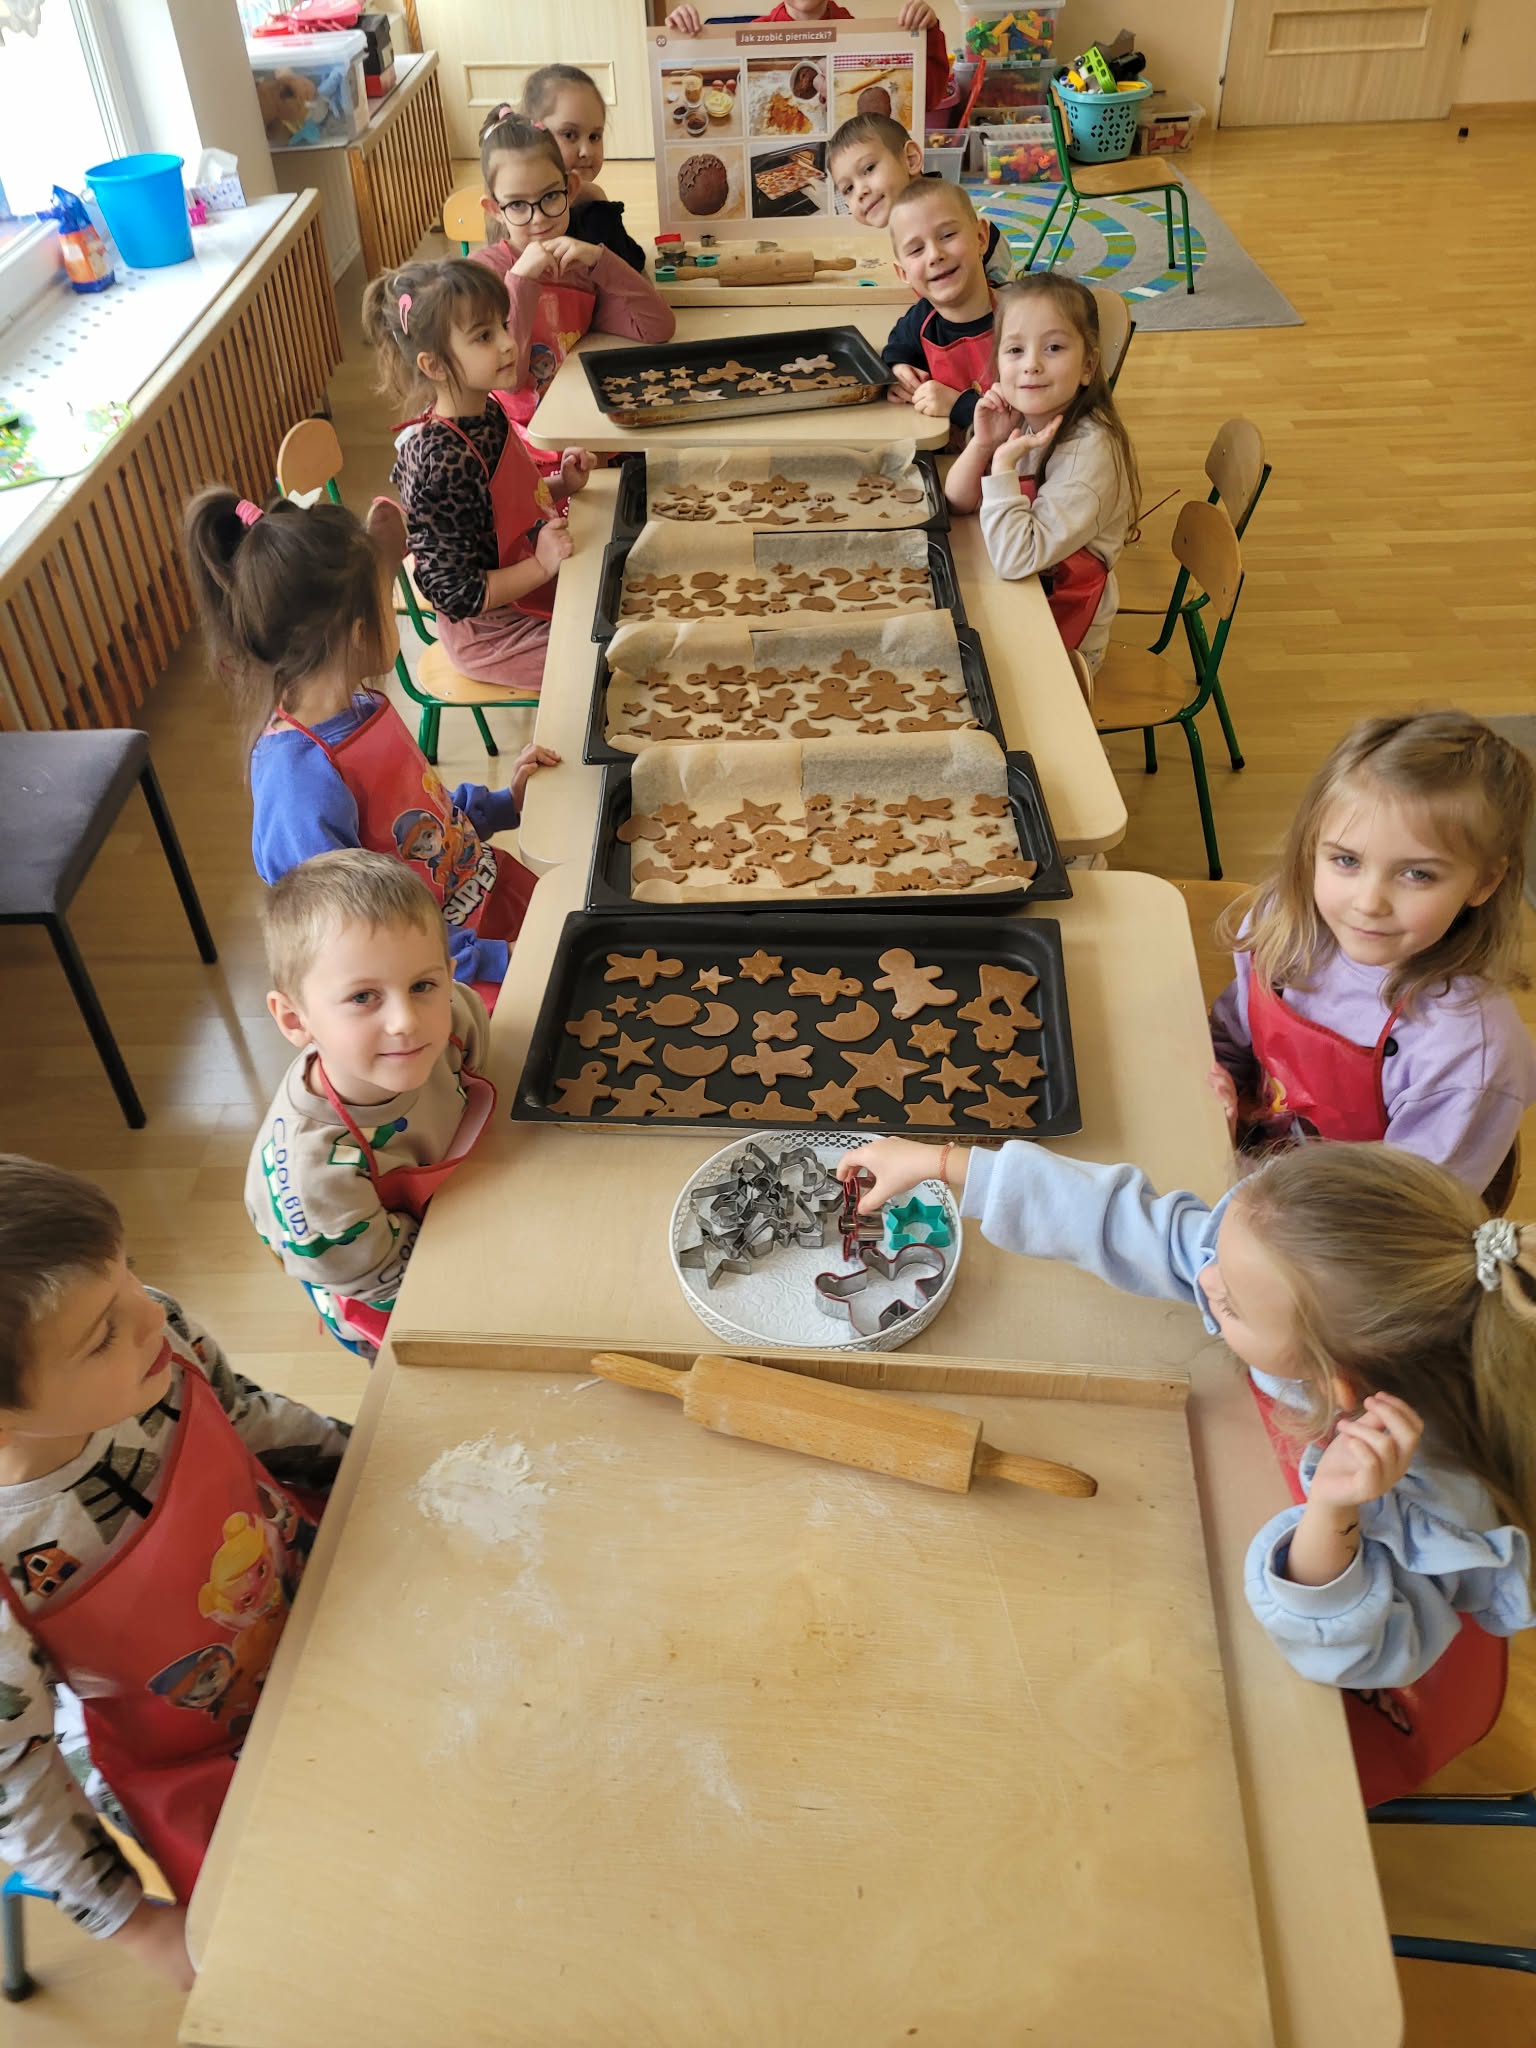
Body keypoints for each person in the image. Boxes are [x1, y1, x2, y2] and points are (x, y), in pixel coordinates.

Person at [840, 1136, 1536, 1806]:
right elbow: (1141, 1227)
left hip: (1373, 1673)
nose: (1203, 1279)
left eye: (1228, 1303)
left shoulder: (1441, 1500)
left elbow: (1362, 1650)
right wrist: (943, 1163)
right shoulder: (1319, 1295)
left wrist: (1332, 1510)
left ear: (1336, 1386)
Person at [0, 1155, 351, 1984]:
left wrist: (367, 1466)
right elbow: (16, 1774)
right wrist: (132, 1923)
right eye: (102, 1333)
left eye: (130, 1271)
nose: (150, 1312)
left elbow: (253, 1419)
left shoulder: (155, 1341)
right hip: (193, 1756)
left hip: (318, 1595)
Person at [184, 483, 556, 1000]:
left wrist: (506, 803)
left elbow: (425, 817)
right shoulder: (299, 782)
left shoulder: (360, 708)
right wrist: (496, 958)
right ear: (360, 632)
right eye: (388, 596)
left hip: (486, 900)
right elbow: (366, 935)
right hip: (446, 976)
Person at [1210, 712, 1536, 1196]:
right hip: (1249, 1165)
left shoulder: (1467, 1055)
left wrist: (1244, 1189)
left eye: (1418, 874)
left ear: (1484, 883)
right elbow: (1230, 1039)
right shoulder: (1282, 924)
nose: (1369, 903)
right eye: (1347, 860)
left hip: (1339, 1222)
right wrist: (1216, 1091)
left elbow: (1402, 1214)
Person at [246, 852, 493, 1356]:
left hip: (472, 1202)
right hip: (391, 1289)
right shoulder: (315, 1183)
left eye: (422, 985)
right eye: (363, 997)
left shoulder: (456, 1015)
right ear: (294, 1020)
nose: (406, 1021)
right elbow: (401, 1287)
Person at [362, 256, 584, 689]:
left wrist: (562, 484)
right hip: (492, 634)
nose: (508, 343)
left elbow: (499, 512)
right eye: (484, 336)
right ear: (434, 365)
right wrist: (542, 565)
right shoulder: (440, 465)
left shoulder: (488, 411)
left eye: (503, 325)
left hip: (531, 587)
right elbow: (456, 593)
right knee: (599, 662)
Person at [945, 274, 1139, 669]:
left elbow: (1015, 559)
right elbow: (956, 502)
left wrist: (1002, 465)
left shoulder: (1090, 455)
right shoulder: (1024, 416)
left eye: (1053, 348)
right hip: (1029, 597)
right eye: (1015, 349)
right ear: (998, 364)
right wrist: (983, 444)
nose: (1031, 365)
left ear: (1087, 366)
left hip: (1066, 641)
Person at [470, 111, 673, 472]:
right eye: (517, 205)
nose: (538, 218)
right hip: (522, 452)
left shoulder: (581, 267)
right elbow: (509, 378)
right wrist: (521, 280)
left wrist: (601, 260)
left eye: (550, 196)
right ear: (494, 210)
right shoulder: (485, 275)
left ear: (571, 189)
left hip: (590, 437)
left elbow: (657, 327)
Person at [664, 2, 951, 116]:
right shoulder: (752, 39)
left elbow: (925, 100)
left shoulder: (860, 39)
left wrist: (929, 33)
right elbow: (701, 94)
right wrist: (681, 38)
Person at [828, 110, 1014, 282]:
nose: (860, 192)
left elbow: (1002, 294)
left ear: (910, 159)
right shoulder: (903, 221)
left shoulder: (949, 213)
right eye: (848, 189)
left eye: (869, 168)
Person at [881, 179, 996, 445]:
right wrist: (897, 370)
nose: (934, 255)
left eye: (947, 235)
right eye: (916, 250)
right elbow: (897, 347)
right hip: (949, 466)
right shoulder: (920, 320)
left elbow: (1033, 418)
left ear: (981, 237)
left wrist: (959, 405)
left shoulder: (1023, 318)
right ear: (903, 273)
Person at [518, 66, 647, 272]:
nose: (586, 151)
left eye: (594, 136)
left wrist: (600, 204)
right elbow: (627, 271)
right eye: (569, 135)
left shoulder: (591, 206)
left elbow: (630, 264)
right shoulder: (525, 216)